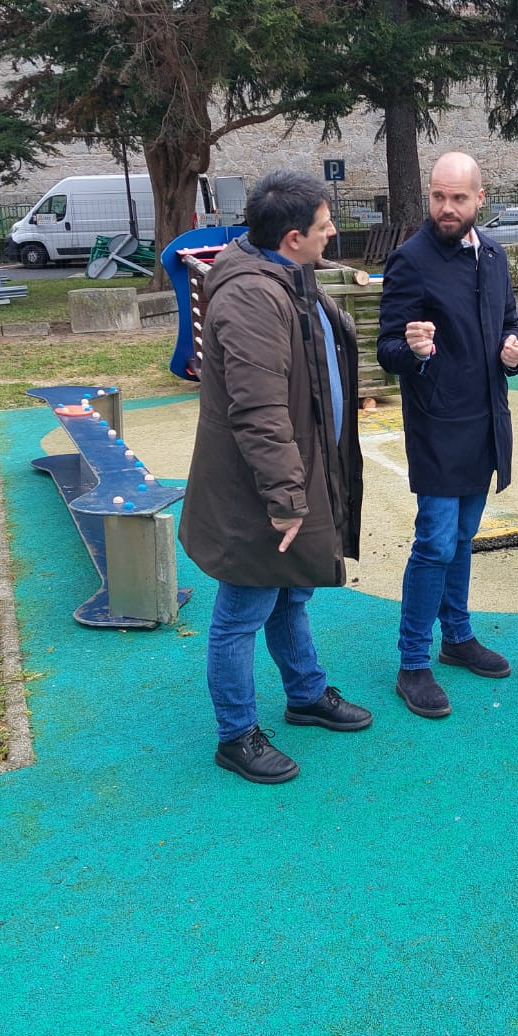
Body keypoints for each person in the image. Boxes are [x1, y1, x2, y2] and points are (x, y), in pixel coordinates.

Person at [179, 170, 371, 784]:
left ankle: (305, 693)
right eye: (324, 225)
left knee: (293, 589)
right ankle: (236, 735)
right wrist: (286, 499)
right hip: (261, 487)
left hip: (298, 469)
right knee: (243, 609)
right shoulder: (249, 296)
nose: (332, 232)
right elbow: (259, 410)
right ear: (292, 237)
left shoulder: (287, 273)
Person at [377, 152, 518, 719]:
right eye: (438, 197)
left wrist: (513, 352)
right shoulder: (410, 260)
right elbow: (388, 347)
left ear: (479, 199)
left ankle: (457, 637)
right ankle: (413, 662)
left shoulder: (493, 255)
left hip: (486, 421)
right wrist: (411, 348)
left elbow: (507, 323)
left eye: (458, 198)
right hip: (438, 425)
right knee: (436, 542)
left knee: (463, 538)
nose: (445, 207)